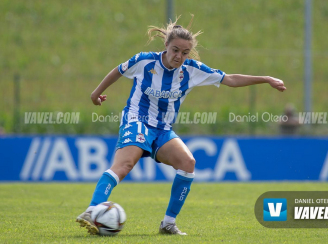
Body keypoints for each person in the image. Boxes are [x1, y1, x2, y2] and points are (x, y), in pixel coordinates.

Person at [76, 15, 286, 236]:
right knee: (125, 165)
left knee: (188, 163)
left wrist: (266, 78)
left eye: (185, 53)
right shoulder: (144, 61)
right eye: (175, 50)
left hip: (163, 128)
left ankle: (168, 223)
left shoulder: (192, 70)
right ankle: (92, 210)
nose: (179, 56)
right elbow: (117, 71)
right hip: (136, 120)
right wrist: (95, 94)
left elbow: (231, 79)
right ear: (166, 45)